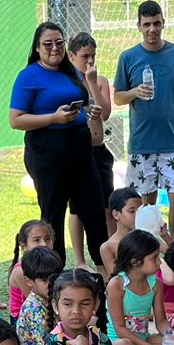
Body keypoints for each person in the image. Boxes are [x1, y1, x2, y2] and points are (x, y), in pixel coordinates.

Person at [10, 21, 107, 267]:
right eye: (48, 44)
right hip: (47, 152)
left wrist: (90, 113)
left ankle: (104, 270)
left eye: (59, 43)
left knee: (94, 211)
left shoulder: (71, 71)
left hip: (80, 150)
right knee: (53, 214)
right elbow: (16, 119)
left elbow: (83, 103)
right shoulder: (28, 76)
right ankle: (55, 273)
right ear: (37, 47)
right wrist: (53, 118)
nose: (55, 48)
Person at [114, 1, 174, 237]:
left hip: (171, 141)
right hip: (142, 143)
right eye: (147, 24)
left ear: (164, 23)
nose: (153, 29)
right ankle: (149, 242)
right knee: (147, 201)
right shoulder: (128, 57)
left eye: (157, 23)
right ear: (139, 26)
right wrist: (134, 92)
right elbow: (118, 97)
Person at [68, 31, 117, 265]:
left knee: (108, 205)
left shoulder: (100, 81)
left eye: (93, 57)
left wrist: (92, 84)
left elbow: (105, 113)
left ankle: (111, 252)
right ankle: (80, 259)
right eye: (85, 56)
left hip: (100, 150)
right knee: (77, 209)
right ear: (72, 56)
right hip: (78, 153)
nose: (89, 62)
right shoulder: (67, 83)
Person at [105, 230, 166, 345]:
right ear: (135, 262)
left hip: (145, 339)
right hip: (121, 341)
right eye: (155, 258)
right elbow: (120, 328)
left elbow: (161, 321)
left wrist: (171, 335)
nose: (160, 261)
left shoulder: (155, 284)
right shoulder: (117, 285)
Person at [16, 246, 63, 345]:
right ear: (29, 281)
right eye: (45, 279)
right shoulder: (33, 308)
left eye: (56, 277)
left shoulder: (53, 296)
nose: (52, 283)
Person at [8, 217, 56, 320]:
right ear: (23, 245)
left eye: (47, 239)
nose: (44, 244)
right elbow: (39, 298)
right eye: (36, 240)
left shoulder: (49, 260)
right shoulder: (21, 271)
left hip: (45, 308)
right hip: (25, 317)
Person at [98, 187, 144, 278]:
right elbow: (116, 278)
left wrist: (164, 235)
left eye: (140, 210)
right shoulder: (108, 247)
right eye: (132, 211)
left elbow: (170, 253)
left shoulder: (145, 237)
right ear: (116, 214)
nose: (138, 215)